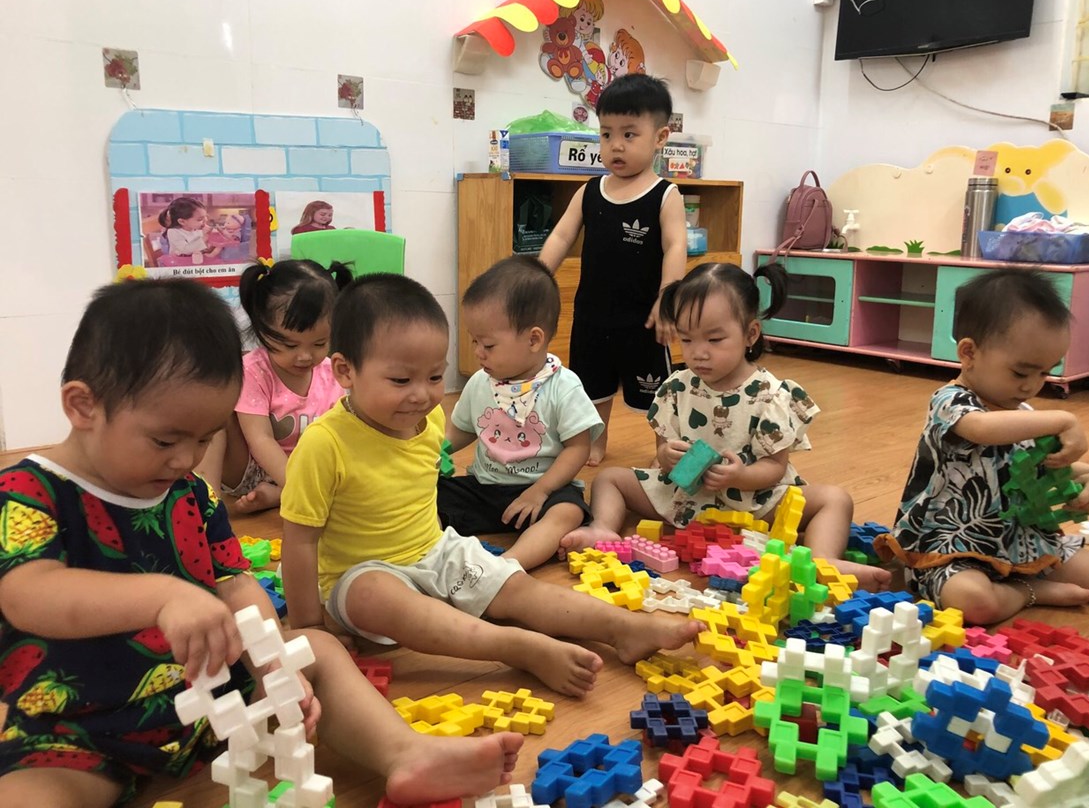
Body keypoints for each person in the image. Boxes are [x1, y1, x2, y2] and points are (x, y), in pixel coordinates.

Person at [0, 278, 522, 808]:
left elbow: (234, 581)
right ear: (83, 406)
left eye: (204, 439)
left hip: (212, 699)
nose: (185, 459)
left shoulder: (188, 492)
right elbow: (28, 594)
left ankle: (405, 754)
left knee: (316, 648)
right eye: (165, 440)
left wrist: (274, 663)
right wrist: (164, 598)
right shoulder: (27, 492)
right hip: (83, 734)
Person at [280, 273, 704, 698]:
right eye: (401, 381)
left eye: (435, 377)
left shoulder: (428, 419)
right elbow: (299, 542)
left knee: (517, 587)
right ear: (345, 370)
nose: (423, 395)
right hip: (361, 575)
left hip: (437, 551)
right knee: (374, 595)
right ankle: (514, 646)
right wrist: (310, 626)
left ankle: (624, 628)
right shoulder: (324, 444)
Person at [569, 262, 891, 592]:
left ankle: (823, 560)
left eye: (715, 339)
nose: (699, 353)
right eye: (687, 339)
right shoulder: (677, 388)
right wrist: (667, 457)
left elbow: (775, 467)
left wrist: (740, 476)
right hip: (685, 500)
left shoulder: (770, 395)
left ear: (751, 334)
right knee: (609, 478)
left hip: (754, 502)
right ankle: (603, 528)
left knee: (835, 499)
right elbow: (662, 452)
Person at [875, 268, 1089, 624]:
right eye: (1021, 373)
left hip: (1019, 539)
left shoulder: (1023, 414)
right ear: (969, 353)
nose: (1031, 386)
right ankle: (1027, 591)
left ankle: (1018, 578)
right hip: (951, 546)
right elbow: (981, 429)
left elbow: (1045, 461)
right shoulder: (950, 402)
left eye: (1045, 373)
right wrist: (1064, 419)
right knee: (974, 603)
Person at [539, 73, 687, 467]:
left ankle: (665, 449)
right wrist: (537, 276)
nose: (615, 145)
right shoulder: (590, 190)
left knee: (658, 393)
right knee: (591, 388)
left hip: (643, 320)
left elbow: (675, 247)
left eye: (629, 134)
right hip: (592, 316)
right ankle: (595, 441)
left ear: (660, 137)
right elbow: (561, 236)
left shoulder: (665, 194)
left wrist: (668, 297)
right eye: (606, 134)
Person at [439, 256, 603, 570]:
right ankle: (437, 553)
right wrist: (436, 450)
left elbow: (578, 448)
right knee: (427, 493)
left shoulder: (564, 386)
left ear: (533, 339)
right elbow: (462, 430)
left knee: (569, 511)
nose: (477, 352)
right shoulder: (479, 383)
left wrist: (541, 491)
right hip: (485, 488)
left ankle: (506, 567)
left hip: (544, 489)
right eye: (475, 341)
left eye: (488, 345)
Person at [199, 259, 351, 515]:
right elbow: (260, 439)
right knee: (215, 416)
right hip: (251, 468)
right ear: (262, 329)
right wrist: (298, 488)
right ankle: (207, 505)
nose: (304, 356)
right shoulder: (253, 370)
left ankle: (278, 495)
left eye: (319, 344)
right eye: (290, 345)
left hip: (311, 471)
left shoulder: (331, 372)